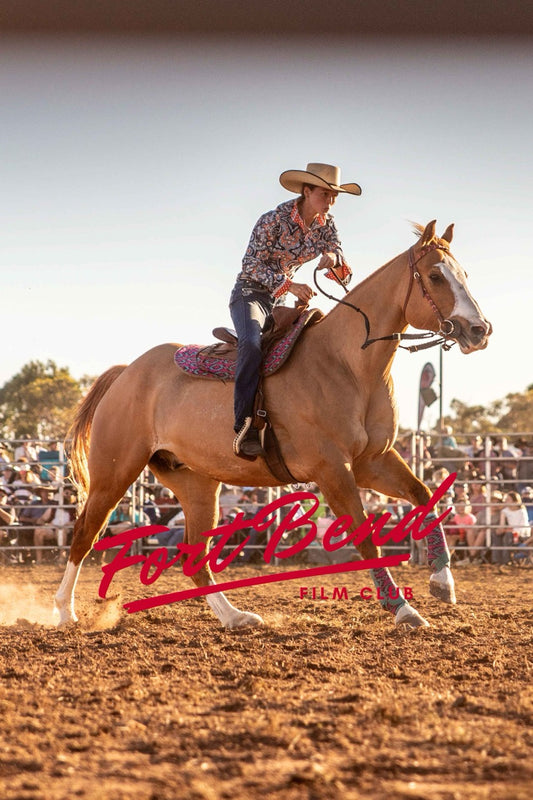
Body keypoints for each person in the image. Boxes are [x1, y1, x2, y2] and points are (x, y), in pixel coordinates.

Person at [230, 162, 361, 457]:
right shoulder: (273, 220)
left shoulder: (327, 225)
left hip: (279, 302)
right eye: (325, 194)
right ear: (307, 191)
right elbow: (250, 265)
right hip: (250, 294)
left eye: (334, 196)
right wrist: (290, 286)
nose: (330, 201)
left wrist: (333, 257)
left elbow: (342, 268)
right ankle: (244, 425)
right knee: (251, 346)